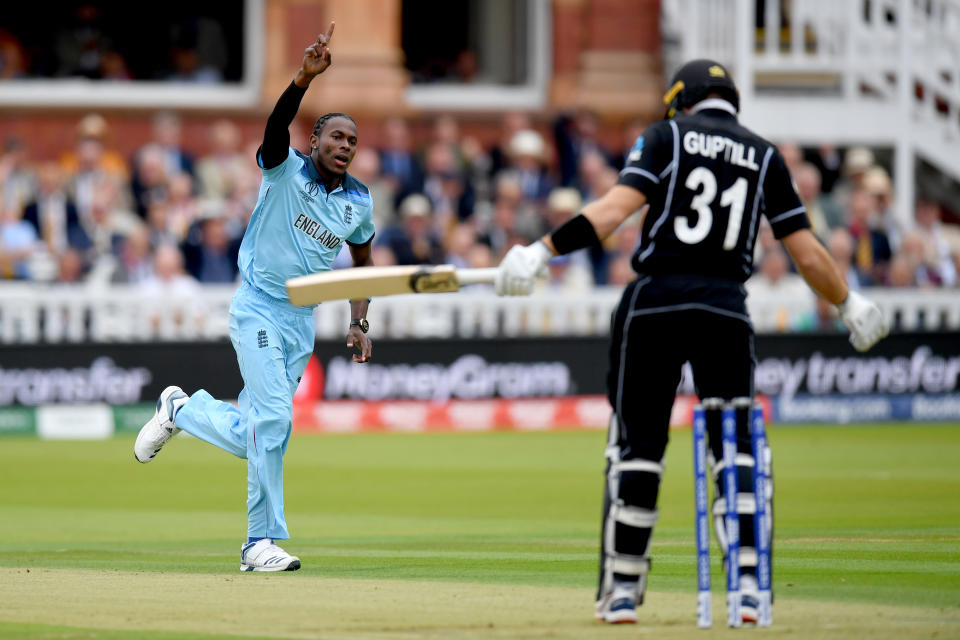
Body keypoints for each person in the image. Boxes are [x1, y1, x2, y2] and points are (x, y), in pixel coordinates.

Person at [494, 59, 888, 624]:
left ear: (682, 100)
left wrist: (540, 251)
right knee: (736, 447)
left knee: (638, 446)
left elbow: (613, 211)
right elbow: (804, 251)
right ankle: (749, 587)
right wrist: (849, 303)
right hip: (726, 308)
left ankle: (624, 590)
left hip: (658, 302)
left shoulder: (666, 135)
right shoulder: (766, 153)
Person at [134, 23, 376, 572]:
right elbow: (273, 126)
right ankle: (258, 543)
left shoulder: (358, 201)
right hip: (259, 306)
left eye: (353, 142)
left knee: (260, 433)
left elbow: (362, 266)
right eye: (335, 137)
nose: (345, 147)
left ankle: (182, 408)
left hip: (303, 321)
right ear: (313, 141)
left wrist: (360, 321)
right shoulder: (284, 168)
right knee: (272, 423)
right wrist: (302, 79)